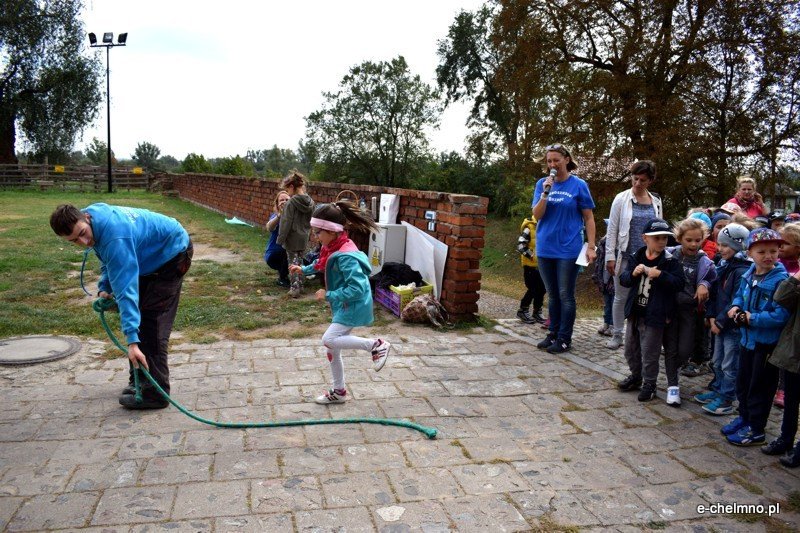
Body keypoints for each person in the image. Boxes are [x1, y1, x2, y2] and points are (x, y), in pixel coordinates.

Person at [50, 203, 192, 410]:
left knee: (151, 324)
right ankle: (140, 381)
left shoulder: (114, 235)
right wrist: (104, 286)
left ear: (87, 217)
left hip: (172, 253)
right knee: (140, 318)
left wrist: (132, 342)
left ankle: (155, 394)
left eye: (82, 233)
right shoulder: (94, 224)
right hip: (147, 257)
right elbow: (106, 257)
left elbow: (126, 291)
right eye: (74, 241)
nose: (83, 241)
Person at [290, 202, 391, 405]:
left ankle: (376, 345)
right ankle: (339, 391)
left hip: (352, 305)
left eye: (318, 232)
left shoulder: (346, 257)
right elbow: (323, 263)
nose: (315, 237)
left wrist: (328, 295)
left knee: (329, 339)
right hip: (344, 304)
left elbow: (358, 289)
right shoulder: (333, 247)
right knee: (332, 349)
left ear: (332, 231)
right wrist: (304, 269)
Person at [723, 228, 790, 446]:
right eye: (762, 252)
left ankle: (757, 427)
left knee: (760, 387)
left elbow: (781, 315)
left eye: (773, 251)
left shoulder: (781, 281)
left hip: (765, 344)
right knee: (743, 383)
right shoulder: (749, 274)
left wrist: (752, 318)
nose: (768, 256)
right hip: (747, 340)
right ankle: (744, 417)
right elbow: (740, 296)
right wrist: (735, 307)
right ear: (750, 253)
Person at [532, 143, 597, 354]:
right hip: (545, 247)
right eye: (549, 161)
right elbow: (537, 215)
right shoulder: (542, 184)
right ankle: (553, 333)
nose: (552, 165)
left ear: (566, 160)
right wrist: (544, 194)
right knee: (552, 294)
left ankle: (564, 337)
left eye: (556, 161)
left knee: (565, 294)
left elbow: (589, 218)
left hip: (568, 249)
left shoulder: (579, 185)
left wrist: (592, 246)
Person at [617, 218, 685, 401]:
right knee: (631, 349)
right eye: (657, 238)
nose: (662, 242)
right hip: (635, 312)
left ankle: (650, 383)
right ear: (645, 238)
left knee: (650, 352)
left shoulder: (670, 262)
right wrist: (633, 273)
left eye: (664, 238)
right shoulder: (636, 256)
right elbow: (624, 279)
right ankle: (636, 376)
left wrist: (660, 275)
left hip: (655, 315)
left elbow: (679, 283)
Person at [605, 160, 663, 350]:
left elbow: (659, 229)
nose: (638, 183)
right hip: (625, 255)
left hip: (648, 256)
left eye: (643, 180)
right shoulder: (621, 199)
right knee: (620, 296)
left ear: (650, 181)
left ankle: (644, 333)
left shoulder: (656, 202)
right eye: (635, 178)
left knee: (647, 297)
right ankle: (617, 333)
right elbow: (612, 229)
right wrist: (610, 256)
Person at [694, 223, 751, 415]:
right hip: (717, 323)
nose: (720, 249)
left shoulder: (742, 271)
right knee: (717, 361)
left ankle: (726, 398)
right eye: (719, 244)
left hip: (731, 327)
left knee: (729, 364)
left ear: (739, 246)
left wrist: (720, 321)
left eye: (725, 245)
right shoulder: (724, 265)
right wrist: (710, 315)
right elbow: (715, 293)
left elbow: (737, 300)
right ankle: (717, 390)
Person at [662, 218, 717, 405]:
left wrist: (703, 284)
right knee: (670, 347)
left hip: (689, 310)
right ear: (679, 238)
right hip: (669, 308)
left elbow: (711, 277)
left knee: (685, 350)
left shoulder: (704, 260)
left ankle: (672, 368)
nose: (693, 244)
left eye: (697, 240)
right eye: (689, 240)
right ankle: (672, 386)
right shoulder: (670, 255)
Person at [768, 262, 800, 466]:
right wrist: (797, 277)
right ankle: (785, 439)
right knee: (791, 399)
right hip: (795, 348)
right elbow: (781, 297)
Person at [772, 223, 800, 408]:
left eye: (786, 244)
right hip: (779, 318)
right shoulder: (777, 265)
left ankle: (783, 388)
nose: (780, 247)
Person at [277, 171, 314, 298]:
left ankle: (294, 288)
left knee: (292, 262)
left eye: (287, 190)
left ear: (292, 187)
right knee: (300, 262)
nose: (288, 193)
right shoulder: (310, 202)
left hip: (292, 238)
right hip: (304, 236)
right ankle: (301, 284)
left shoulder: (291, 203)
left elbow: (285, 223)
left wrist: (280, 239)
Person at [516, 216, 547, 324]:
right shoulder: (529, 226)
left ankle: (537, 311)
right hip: (530, 265)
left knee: (543, 289)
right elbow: (521, 245)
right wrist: (533, 256)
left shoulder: (548, 224)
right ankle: (523, 309)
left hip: (543, 265)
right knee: (533, 288)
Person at [265, 190, 291, 287]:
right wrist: (279, 215)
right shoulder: (275, 216)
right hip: (273, 255)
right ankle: (282, 278)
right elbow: (269, 227)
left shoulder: (295, 216)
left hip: (290, 253)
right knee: (286, 251)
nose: (284, 202)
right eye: (281, 200)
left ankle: (285, 271)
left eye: (287, 200)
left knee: (306, 265)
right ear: (277, 203)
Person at [593, 232, 614, 337]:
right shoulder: (603, 243)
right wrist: (596, 275)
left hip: (614, 279)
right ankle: (606, 323)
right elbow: (598, 261)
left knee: (614, 303)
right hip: (604, 278)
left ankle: (612, 325)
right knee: (607, 303)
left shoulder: (619, 245)